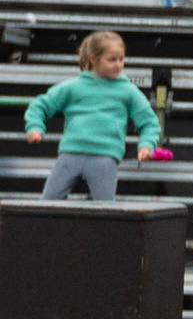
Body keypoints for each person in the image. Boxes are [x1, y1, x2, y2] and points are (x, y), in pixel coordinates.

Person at [22, 30, 164, 200]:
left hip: (105, 158)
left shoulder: (128, 91)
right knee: (47, 204)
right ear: (93, 59)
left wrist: (146, 145)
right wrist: (35, 127)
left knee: (104, 212)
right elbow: (40, 105)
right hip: (70, 154)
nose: (118, 64)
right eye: (112, 59)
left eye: (121, 59)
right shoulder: (74, 86)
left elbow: (149, 122)